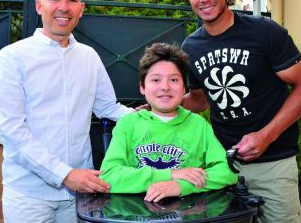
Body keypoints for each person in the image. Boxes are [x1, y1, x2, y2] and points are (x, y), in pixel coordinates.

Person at [179, 0, 301, 223]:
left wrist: (267, 135)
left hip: (273, 163)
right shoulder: (190, 47)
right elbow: (200, 99)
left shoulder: (264, 32)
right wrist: (158, 106)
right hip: (222, 166)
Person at [0, 0, 133, 222]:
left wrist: (152, 117)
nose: (63, 7)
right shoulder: (12, 57)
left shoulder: (89, 56)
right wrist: (65, 174)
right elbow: (12, 130)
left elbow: (108, 107)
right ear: (39, 6)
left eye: (72, 0)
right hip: (29, 194)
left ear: (81, 9)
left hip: (80, 191)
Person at [99, 43, 238, 202]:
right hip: (136, 214)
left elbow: (227, 172)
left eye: (173, 79)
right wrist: (171, 174)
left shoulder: (199, 126)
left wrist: (181, 186)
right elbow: (109, 177)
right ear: (142, 88)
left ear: (185, 88)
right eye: (156, 80)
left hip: (188, 215)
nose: (165, 87)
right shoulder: (128, 124)